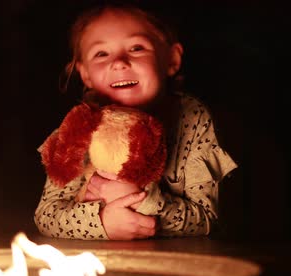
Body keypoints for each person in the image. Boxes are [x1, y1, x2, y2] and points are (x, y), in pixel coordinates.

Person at [34, 3, 237, 240]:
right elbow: (46, 215)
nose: (119, 62)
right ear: (85, 73)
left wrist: (145, 200)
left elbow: (206, 219)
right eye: (101, 53)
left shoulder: (192, 119)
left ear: (171, 59)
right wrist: (102, 222)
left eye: (137, 48)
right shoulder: (79, 127)